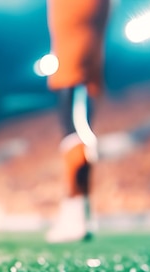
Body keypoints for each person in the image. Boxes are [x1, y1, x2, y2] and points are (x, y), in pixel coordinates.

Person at [45, 0, 110, 243]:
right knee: (77, 127)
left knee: (74, 130)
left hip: (74, 40)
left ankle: (76, 210)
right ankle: (77, 208)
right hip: (80, 38)